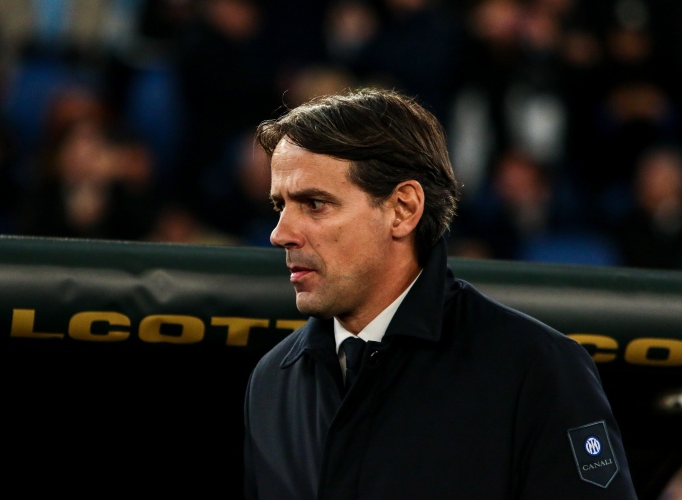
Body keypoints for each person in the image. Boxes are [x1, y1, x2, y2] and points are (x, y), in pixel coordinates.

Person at [243, 87, 637, 499]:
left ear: (403, 209)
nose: (280, 234)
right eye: (280, 206)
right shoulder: (272, 383)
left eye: (314, 204)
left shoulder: (537, 369)